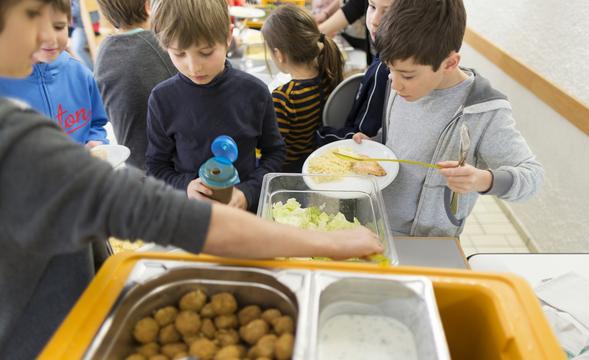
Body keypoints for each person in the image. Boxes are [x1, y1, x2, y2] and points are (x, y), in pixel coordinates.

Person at [0, 1, 382, 357]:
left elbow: (266, 158)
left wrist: (251, 196)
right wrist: (327, 241)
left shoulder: (250, 93)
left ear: (225, 40)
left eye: (57, 23)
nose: (48, 38)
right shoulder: (159, 100)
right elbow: (160, 191)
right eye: (32, 16)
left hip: (71, 314)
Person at [354, 0, 544, 237]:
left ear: (451, 63)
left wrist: (484, 180)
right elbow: (402, 139)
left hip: (426, 241)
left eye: (407, 75)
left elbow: (533, 176)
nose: (394, 82)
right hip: (375, 222)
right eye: (389, 68)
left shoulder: (484, 111)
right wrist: (373, 143)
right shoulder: (399, 80)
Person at [146, 0, 285, 212]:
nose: (194, 67)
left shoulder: (254, 92)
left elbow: (275, 153)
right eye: (179, 53)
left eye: (206, 52)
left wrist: (248, 192)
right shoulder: (162, 99)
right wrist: (185, 187)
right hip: (192, 215)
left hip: (245, 214)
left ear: (228, 37)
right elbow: (156, 167)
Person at [0, 0, 108, 147]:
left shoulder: (80, 73)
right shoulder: (5, 85)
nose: (51, 38)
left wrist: (97, 140)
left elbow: (97, 122)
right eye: (37, 28)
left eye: (58, 27)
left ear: (69, 23)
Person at [94, 0, 177, 170]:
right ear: (148, 5)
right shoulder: (162, 45)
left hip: (134, 165)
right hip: (171, 169)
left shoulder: (103, 51)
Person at [262, 4, 344, 173]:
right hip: (315, 161)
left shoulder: (283, 98)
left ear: (279, 54)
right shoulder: (327, 76)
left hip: (287, 171)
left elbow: (272, 148)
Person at [316, 0, 392, 144]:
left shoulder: (384, 71)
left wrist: (318, 135)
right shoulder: (380, 60)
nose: (375, 21)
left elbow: (362, 135)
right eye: (372, 6)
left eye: (387, 12)